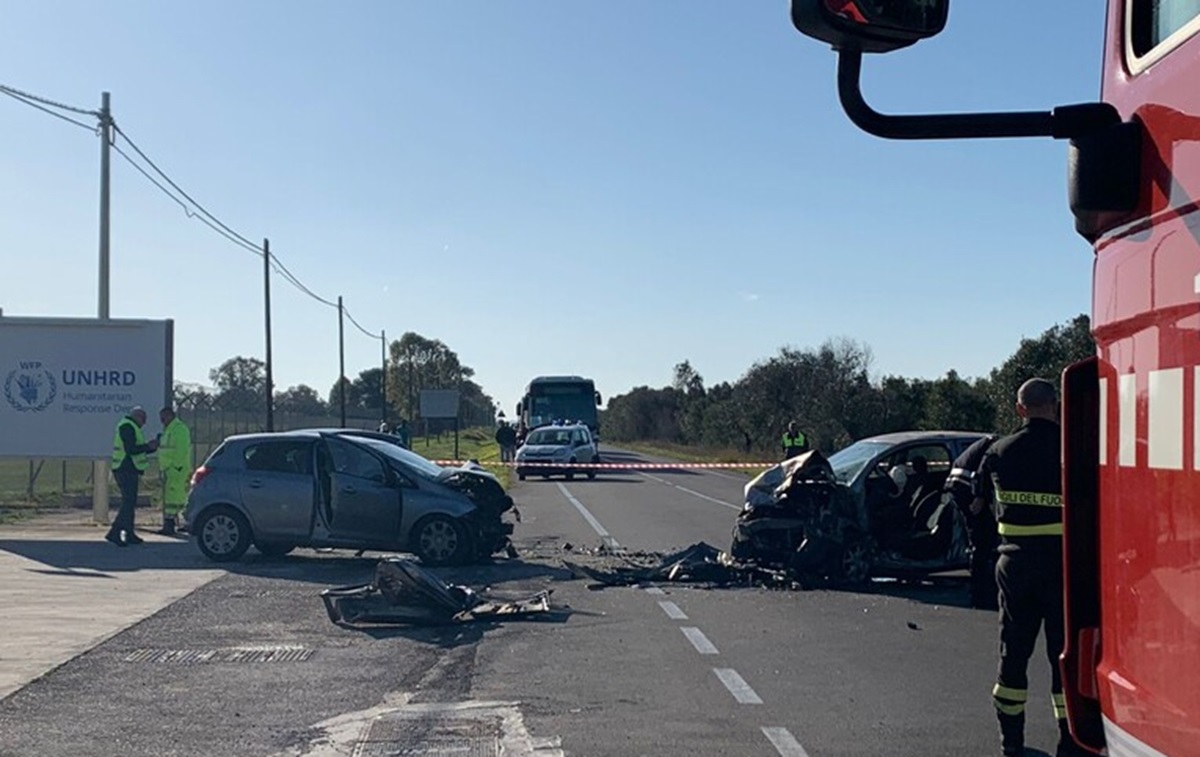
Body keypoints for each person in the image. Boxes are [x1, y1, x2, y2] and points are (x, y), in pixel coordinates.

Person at [978, 378, 1084, 757]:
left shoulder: (999, 452)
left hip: (1014, 564)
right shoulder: (1074, 450)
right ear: (1055, 406)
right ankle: (1070, 741)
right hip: (1064, 568)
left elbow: (982, 507)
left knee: (1013, 653)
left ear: (1020, 408)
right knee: (1063, 654)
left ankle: (1012, 741)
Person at [945, 433, 1001, 610]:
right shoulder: (996, 445)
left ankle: (980, 590)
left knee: (980, 539)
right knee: (982, 539)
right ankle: (981, 593)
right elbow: (984, 468)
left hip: (959, 485)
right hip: (966, 488)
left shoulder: (989, 442)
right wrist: (980, 496)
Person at [106, 406, 158, 547]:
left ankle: (129, 533)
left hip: (129, 469)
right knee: (128, 503)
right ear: (138, 416)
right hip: (124, 469)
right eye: (144, 419)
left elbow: (136, 450)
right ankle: (114, 532)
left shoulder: (131, 426)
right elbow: (131, 449)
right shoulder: (127, 427)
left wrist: (150, 448)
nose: (145, 423)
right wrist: (148, 446)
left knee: (130, 502)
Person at [155, 407, 192, 536]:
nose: (161, 421)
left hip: (176, 469)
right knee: (174, 497)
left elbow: (181, 450)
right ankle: (178, 523)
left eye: (163, 417)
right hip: (169, 469)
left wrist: (175, 466)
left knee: (175, 498)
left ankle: (171, 524)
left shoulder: (179, 429)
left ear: (170, 416)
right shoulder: (169, 430)